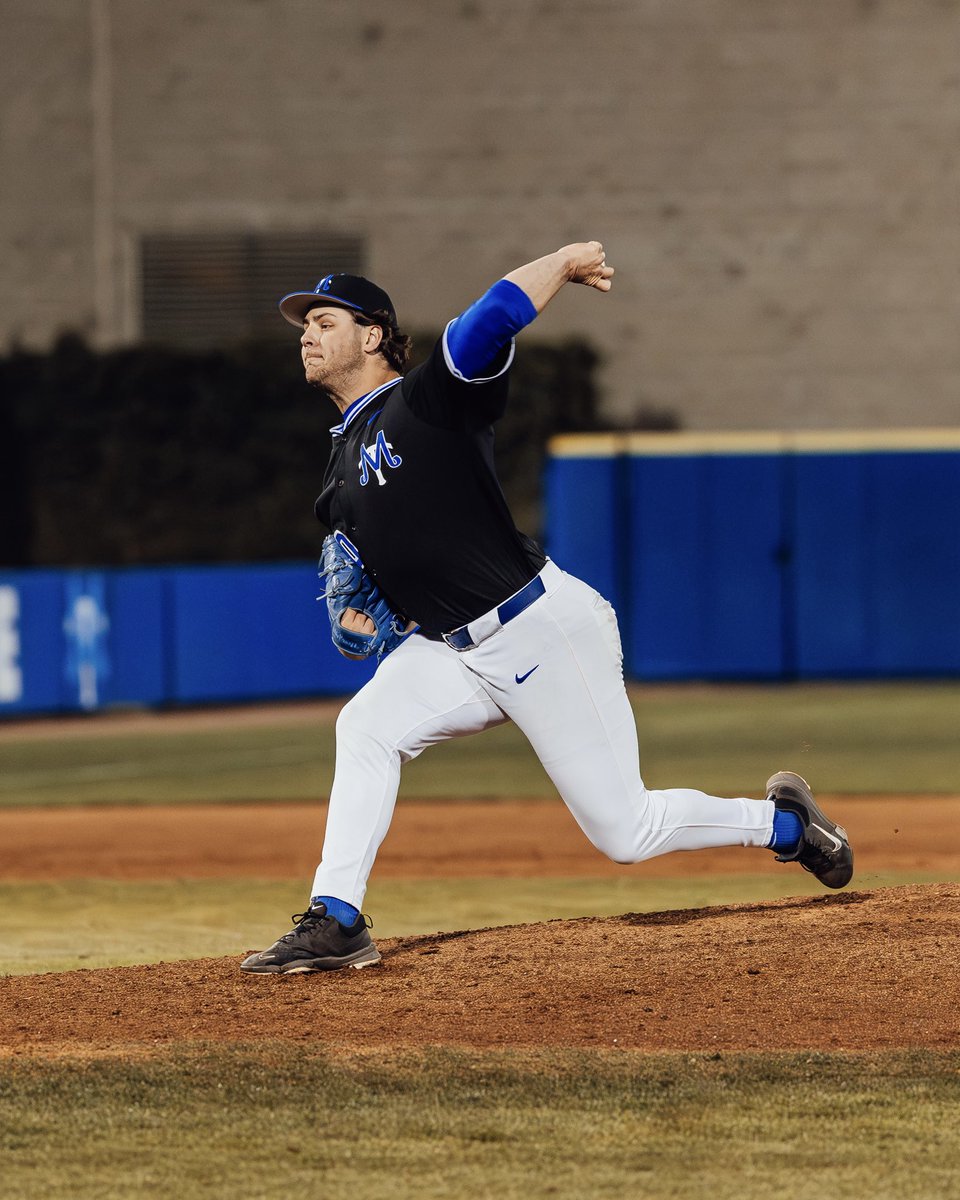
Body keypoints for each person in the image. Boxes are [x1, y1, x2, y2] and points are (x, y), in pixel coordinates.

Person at [241, 241, 853, 975]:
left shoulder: (427, 401)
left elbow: (488, 321)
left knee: (626, 831)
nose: (306, 332)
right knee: (365, 724)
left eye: (325, 320)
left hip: (539, 629)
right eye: (303, 324)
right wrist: (362, 621)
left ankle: (785, 827)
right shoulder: (339, 469)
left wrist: (561, 263)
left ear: (373, 335)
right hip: (452, 648)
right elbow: (385, 590)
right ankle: (337, 920)